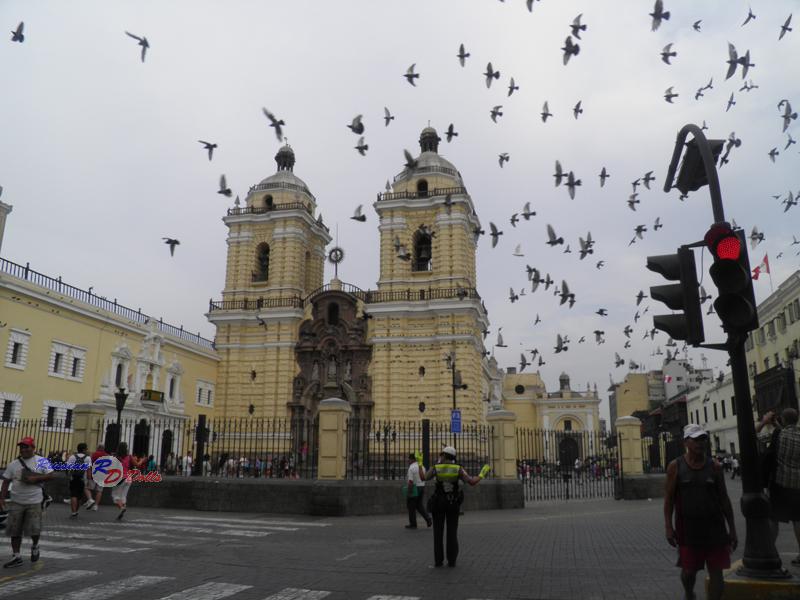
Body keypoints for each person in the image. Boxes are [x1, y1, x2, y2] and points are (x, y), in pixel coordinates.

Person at [664, 424, 737, 600]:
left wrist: (732, 529)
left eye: (703, 438)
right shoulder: (675, 466)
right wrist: (668, 526)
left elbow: (724, 499)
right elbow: (669, 500)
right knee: (688, 573)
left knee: (717, 575)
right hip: (688, 529)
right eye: (695, 439)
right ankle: (689, 594)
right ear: (686, 442)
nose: (700, 443)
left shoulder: (716, 467)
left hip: (715, 529)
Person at [423, 446, 489, 568]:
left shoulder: (436, 468)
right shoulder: (458, 468)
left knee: (438, 533)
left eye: (441, 454)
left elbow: (423, 478)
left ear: (444, 455)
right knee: (452, 532)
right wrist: (482, 474)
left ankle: (438, 561)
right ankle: (452, 560)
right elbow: (472, 482)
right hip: (453, 503)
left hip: (438, 503)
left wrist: (421, 464)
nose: (440, 456)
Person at [0, 436, 56, 568]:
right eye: (22, 447)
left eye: (26, 447)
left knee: (34, 529)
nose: (24, 449)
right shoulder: (13, 464)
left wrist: (35, 478)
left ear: (33, 448)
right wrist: (1, 498)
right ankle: (16, 556)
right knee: (15, 530)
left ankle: (35, 545)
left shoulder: (41, 461)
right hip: (16, 501)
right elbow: (6, 481)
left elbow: (51, 475)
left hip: (34, 501)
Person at [767, 408, 800, 566]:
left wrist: (766, 422)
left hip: (780, 483)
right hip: (798, 484)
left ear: (784, 420)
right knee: (798, 520)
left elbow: (757, 436)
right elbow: (787, 433)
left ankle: (770, 551)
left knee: (773, 518)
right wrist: (776, 424)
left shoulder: (780, 435)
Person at [405, 453, 431, 529]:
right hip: (422, 487)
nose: (408, 460)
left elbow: (410, 481)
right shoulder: (422, 467)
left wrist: (409, 492)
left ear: (412, 459)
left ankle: (413, 524)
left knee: (411, 506)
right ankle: (428, 519)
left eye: (409, 459)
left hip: (414, 488)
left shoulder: (411, 468)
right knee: (419, 505)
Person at [65, 442, 91, 518]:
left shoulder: (72, 457)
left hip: (73, 478)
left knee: (73, 495)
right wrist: (89, 480)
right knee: (79, 496)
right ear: (83, 449)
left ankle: (73, 512)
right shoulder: (88, 458)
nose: (87, 450)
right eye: (86, 449)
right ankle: (76, 511)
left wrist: (68, 476)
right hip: (82, 479)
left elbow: (67, 468)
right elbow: (89, 470)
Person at [112, 442, 133, 521]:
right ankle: (122, 508)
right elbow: (135, 465)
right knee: (123, 495)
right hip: (129, 478)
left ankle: (122, 508)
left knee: (115, 496)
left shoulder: (116, 457)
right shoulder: (129, 457)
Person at [84, 443, 107, 511]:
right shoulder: (106, 455)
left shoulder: (94, 454)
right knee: (99, 491)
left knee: (87, 488)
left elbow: (90, 465)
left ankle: (90, 500)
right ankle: (96, 506)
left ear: (98, 448)